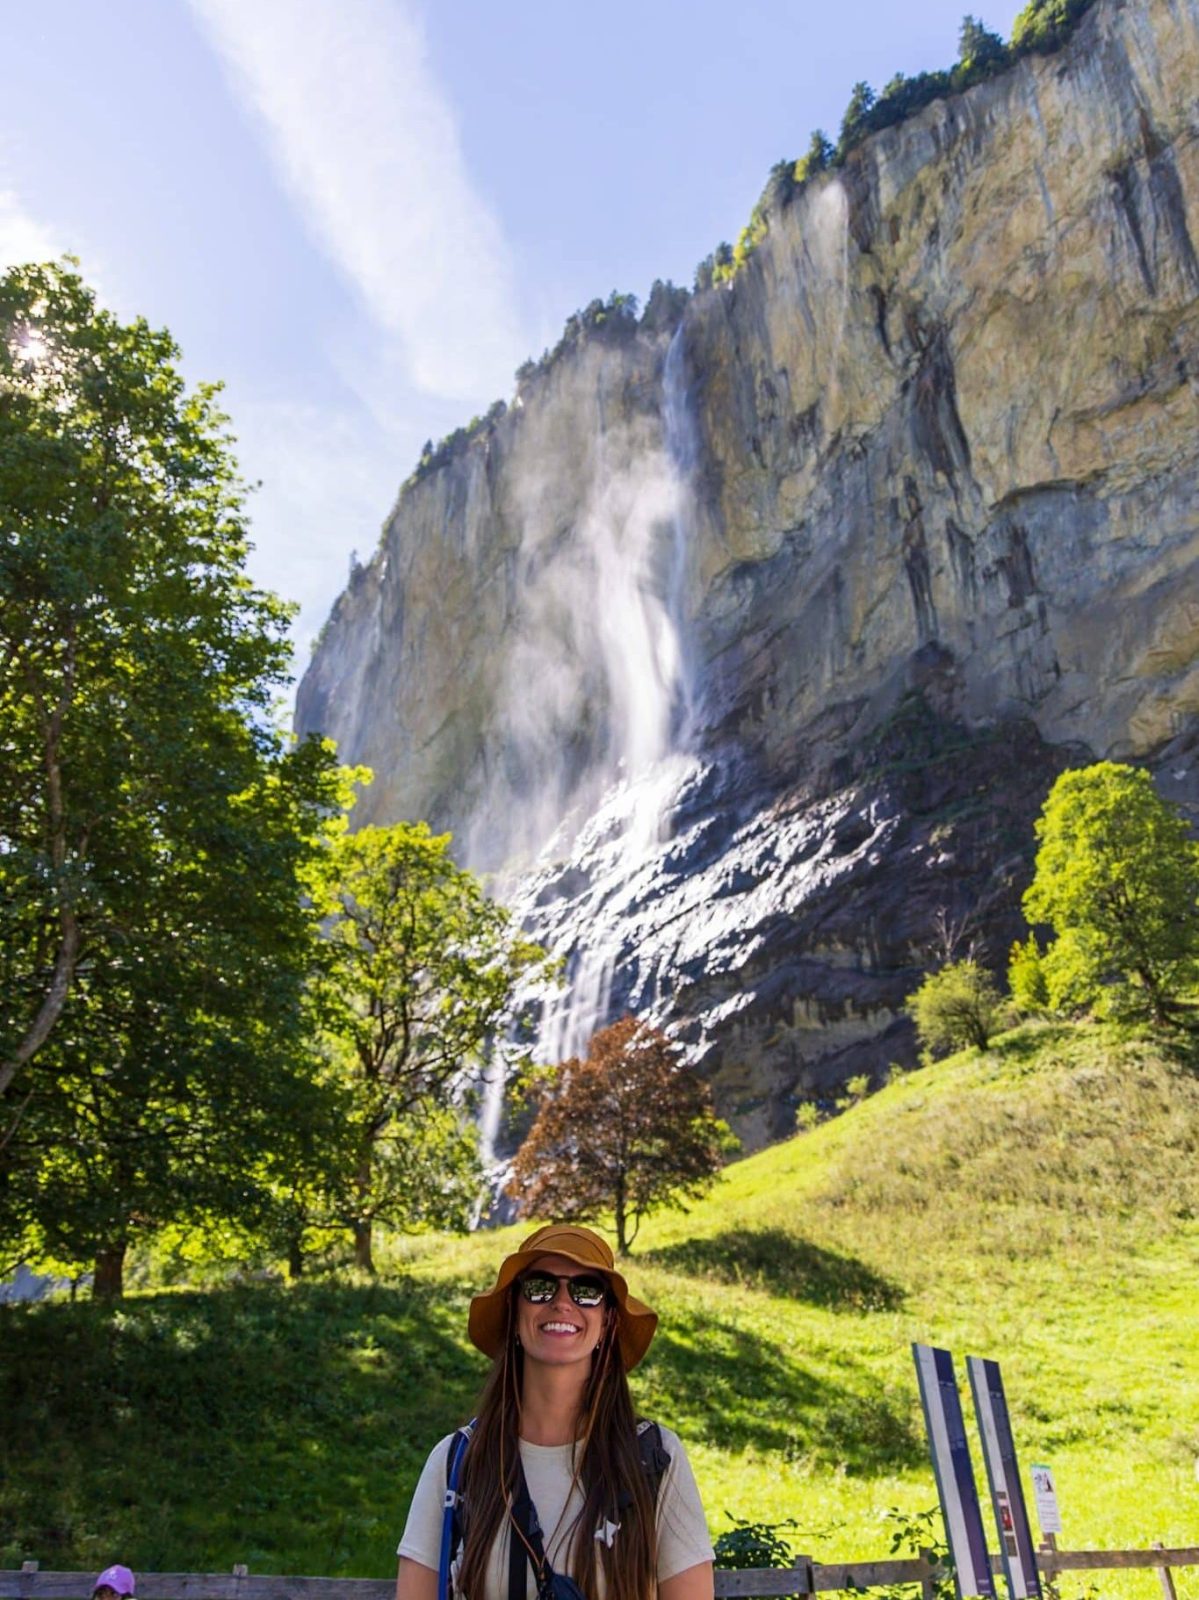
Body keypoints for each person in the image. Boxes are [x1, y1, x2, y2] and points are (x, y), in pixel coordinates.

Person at [396, 1223, 714, 1600]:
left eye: (586, 1290)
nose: (562, 1302)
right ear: (514, 1311)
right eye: (540, 1286)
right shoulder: (457, 1463)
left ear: (608, 1320)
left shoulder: (654, 1460)